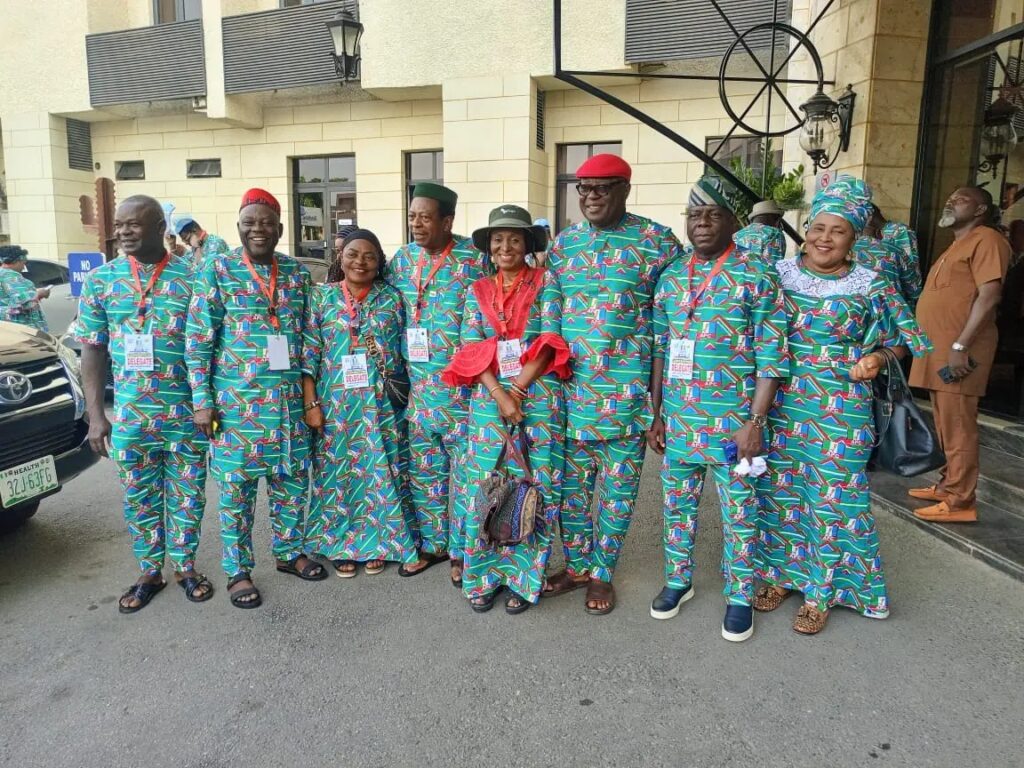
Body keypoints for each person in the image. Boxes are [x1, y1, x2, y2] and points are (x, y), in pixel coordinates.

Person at [754, 177, 931, 635]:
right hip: (780, 403)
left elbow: (905, 340)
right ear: (806, 229)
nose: (824, 238)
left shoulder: (872, 283)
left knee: (835, 498)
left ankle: (822, 591)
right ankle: (780, 575)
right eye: (818, 227)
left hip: (843, 408)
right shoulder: (775, 274)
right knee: (779, 491)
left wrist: (878, 358)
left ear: (854, 238)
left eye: (838, 231)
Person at [647, 177, 788, 642]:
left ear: (733, 222)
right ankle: (678, 580)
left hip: (735, 425)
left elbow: (772, 356)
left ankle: (741, 596)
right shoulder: (671, 276)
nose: (702, 223)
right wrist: (656, 414)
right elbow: (660, 349)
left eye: (713, 215)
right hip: (680, 420)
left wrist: (756, 422)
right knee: (676, 506)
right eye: (694, 216)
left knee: (741, 513)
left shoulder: (756, 274)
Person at [543, 153, 684, 615]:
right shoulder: (564, 246)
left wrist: (661, 406)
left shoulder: (657, 242)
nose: (590, 197)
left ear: (625, 189)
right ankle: (577, 567)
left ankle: (602, 573)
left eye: (602, 188)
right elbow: (549, 320)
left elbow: (671, 325)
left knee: (618, 497)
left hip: (627, 399)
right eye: (583, 189)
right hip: (571, 396)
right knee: (571, 494)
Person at [186, 188, 327, 609]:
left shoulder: (297, 273)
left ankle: (288, 553)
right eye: (249, 222)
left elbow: (309, 336)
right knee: (235, 493)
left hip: (288, 405)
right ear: (238, 227)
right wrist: (202, 401)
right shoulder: (218, 269)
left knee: (292, 483)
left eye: (266, 223)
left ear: (280, 229)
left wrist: (309, 398)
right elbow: (199, 339)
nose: (257, 230)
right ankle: (238, 570)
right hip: (236, 407)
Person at [71, 195, 210, 613]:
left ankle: (185, 567)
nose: (123, 232)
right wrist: (96, 416)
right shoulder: (102, 281)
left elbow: (209, 347)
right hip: (133, 416)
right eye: (119, 225)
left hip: (186, 414)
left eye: (133, 224)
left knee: (189, 494)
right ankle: (150, 571)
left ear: (159, 228)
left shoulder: (192, 278)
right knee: (139, 497)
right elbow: (92, 349)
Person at [442, 205, 572, 614]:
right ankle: (482, 578)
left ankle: (523, 579)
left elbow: (550, 339)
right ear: (489, 246)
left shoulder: (546, 282)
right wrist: (500, 394)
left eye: (515, 239)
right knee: (485, 488)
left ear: (528, 244)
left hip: (538, 397)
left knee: (534, 486)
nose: (505, 247)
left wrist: (516, 389)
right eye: (498, 239)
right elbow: (470, 347)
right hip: (488, 401)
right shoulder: (477, 289)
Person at [390, 182, 490, 586]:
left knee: (467, 480)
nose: (416, 224)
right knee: (425, 477)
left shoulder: (474, 259)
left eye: (425, 217)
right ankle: (433, 546)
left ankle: (463, 551)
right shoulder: (401, 260)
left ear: (447, 221)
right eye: (412, 216)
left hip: (463, 396)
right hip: (418, 395)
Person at [302, 228, 417, 576]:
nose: (360, 262)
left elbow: (406, 352)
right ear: (341, 257)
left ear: (379, 262)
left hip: (381, 406)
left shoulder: (392, 299)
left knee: (381, 472)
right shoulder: (321, 297)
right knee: (337, 475)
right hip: (335, 404)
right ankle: (340, 543)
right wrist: (311, 404)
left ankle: (380, 541)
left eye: (369, 256)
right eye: (353, 254)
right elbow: (309, 354)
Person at [908, 187, 1011, 524]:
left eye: (962, 199)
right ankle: (948, 485)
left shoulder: (987, 239)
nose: (951, 201)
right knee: (944, 422)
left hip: (960, 352)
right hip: (940, 351)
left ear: (981, 209)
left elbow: (989, 296)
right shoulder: (958, 243)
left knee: (958, 426)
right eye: (950, 197)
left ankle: (960, 501)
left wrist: (960, 346)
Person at [865, 204, 923, 305]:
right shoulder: (876, 233)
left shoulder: (899, 230)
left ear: (870, 217)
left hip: (899, 296)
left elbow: (910, 266)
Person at [0, 245, 49, 332]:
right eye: (23, 263)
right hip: (20, 330)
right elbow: (24, 303)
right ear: (16, 261)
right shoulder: (10, 276)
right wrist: (40, 293)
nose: (23, 267)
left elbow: (10, 298)